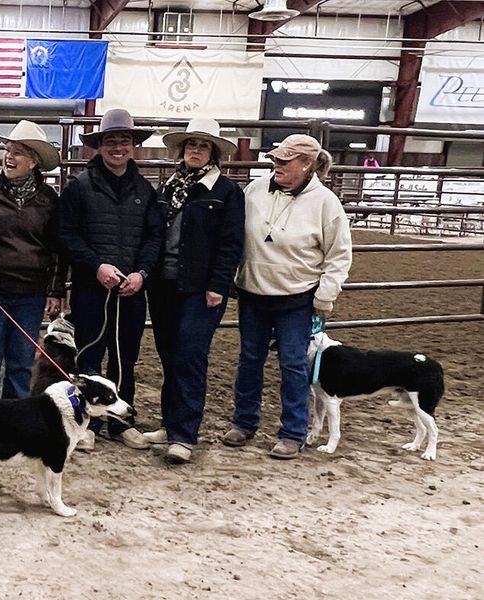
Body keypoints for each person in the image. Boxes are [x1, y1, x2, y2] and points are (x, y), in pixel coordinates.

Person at [224, 134, 352, 460]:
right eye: (276, 160)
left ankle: (293, 432)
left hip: (296, 297)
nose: (276, 165)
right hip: (253, 292)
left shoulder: (326, 203)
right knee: (249, 359)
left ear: (307, 164)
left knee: (293, 363)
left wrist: (325, 297)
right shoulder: (255, 190)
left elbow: (339, 255)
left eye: (284, 161)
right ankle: (244, 422)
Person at [58, 108, 164, 451]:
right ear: (100, 146)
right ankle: (84, 423)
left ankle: (119, 422)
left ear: (133, 146)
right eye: (111, 141)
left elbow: (154, 238)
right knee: (89, 354)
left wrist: (141, 274)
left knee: (125, 357)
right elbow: (67, 236)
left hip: (130, 289)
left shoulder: (145, 191)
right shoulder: (79, 188)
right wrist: (96, 266)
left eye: (124, 141)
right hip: (92, 288)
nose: (118, 147)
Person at [143, 117, 244, 464]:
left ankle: (184, 434)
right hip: (165, 284)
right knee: (169, 353)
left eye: (203, 146)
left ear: (213, 152)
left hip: (201, 288)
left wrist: (218, 284)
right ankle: (170, 423)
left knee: (189, 354)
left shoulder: (226, 192)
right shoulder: (169, 187)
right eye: (191, 145)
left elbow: (231, 243)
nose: (196, 151)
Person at [0, 120, 65, 400]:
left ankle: (14, 419)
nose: (9, 157)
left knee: (21, 362)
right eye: (7, 150)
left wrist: (55, 290)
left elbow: (56, 247)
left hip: (30, 294)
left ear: (33, 162)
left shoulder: (49, 199)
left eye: (18, 152)